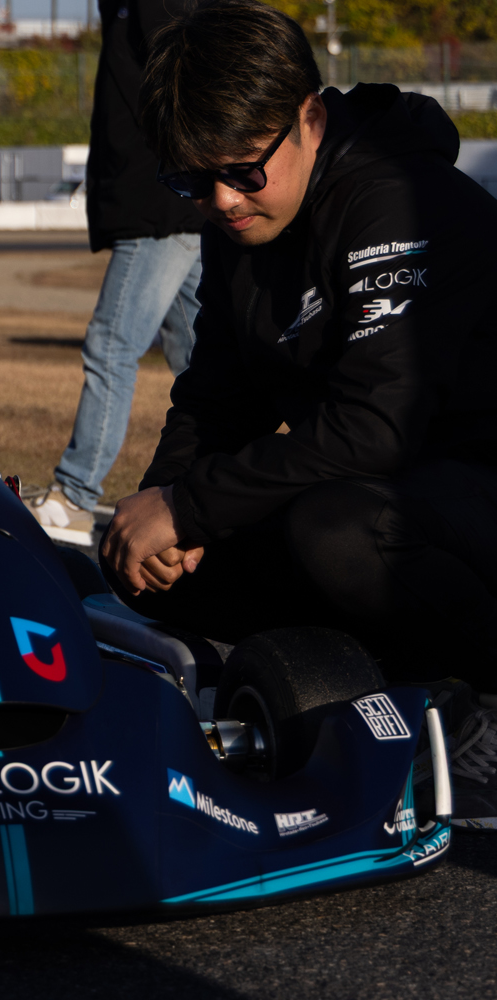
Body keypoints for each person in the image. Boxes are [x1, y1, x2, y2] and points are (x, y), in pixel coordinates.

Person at [98, 0, 497, 828]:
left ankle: (483, 704)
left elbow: (376, 428)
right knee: (144, 562)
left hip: (465, 483)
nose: (222, 200)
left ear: (310, 119)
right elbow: (217, 396)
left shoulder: (397, 197)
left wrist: (189, 505)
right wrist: (165, 506)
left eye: (243, 171)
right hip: (405, 495)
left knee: (337, 531)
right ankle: (368, 679)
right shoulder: (240, 217)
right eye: (192, 181)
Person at [26, 0, 203, 546]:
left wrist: (179, 179)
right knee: (200, 356)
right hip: (164, 202)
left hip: (160, 206)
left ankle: (75, 496)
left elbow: (189, 77)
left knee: (112, 345)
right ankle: (225, 486)